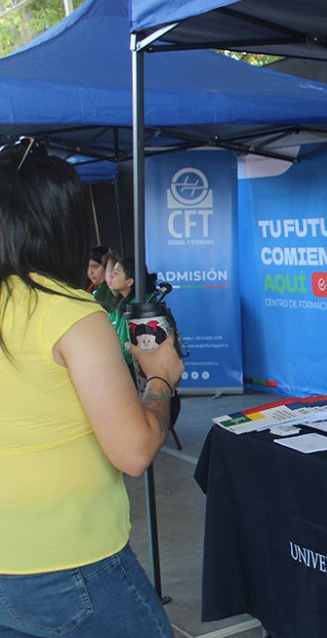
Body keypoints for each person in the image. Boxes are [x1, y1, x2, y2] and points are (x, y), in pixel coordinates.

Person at [0, 140, 184, 636]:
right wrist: (160, 376)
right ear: (62, 222)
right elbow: (134, 451)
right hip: (68, 561)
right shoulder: (69, 314)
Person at [85, 245, 116, 311]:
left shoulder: (112, 291)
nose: (90, 272)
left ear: (107, 267)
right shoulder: (89, 286)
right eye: (87, 267)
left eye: (95, 267)